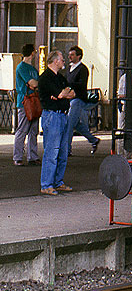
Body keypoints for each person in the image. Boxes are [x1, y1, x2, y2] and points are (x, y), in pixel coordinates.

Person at [37, 49, 75, 195]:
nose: (64, 61)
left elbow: (71, 92)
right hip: (52, 116)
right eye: (62, 59)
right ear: (55, 61)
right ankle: (46, 184)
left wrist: (62, 95)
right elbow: (61, 93)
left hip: (63, 115)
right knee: (51, 152)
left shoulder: (60, 77)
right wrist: (62, 94)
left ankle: (58, 182)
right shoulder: (45, 78)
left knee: (63, 152)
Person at [64, 46, 100, 155]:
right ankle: (93, 140)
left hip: (77, 99)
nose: (69, 56)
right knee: (75, 124)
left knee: (69, 124)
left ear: (78, 56)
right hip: (70, 99)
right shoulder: (69, 68)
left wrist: (68, 85)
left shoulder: (83, 69)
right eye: (69, 54)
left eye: (72, 55)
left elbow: (81, 84)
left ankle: (67, 150)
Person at [13, 43, 40, 166]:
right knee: (23, 129)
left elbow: (34, 83)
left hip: (31, 100)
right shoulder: (23, 67)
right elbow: (34, 83)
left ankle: (31, 157)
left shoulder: (30, 69)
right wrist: (35, 83)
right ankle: (18, 157)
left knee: (33, 130)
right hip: (25, 101)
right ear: (32, 53)